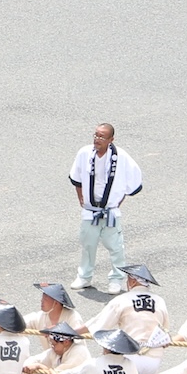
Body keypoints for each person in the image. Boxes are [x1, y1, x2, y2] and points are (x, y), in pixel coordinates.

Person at [70, 122, 141, 293]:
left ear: (111, 139)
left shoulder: (121, 157)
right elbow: (76, 177)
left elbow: (133, 183)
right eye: (96, 135)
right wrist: (81, 197)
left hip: (110, 211)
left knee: (115, 246)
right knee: (88, 244)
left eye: (102, 136)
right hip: (90, 210)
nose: (97, 139)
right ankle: (84, 276)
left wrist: (117, 201)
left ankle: (116, 278)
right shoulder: (85, 153)